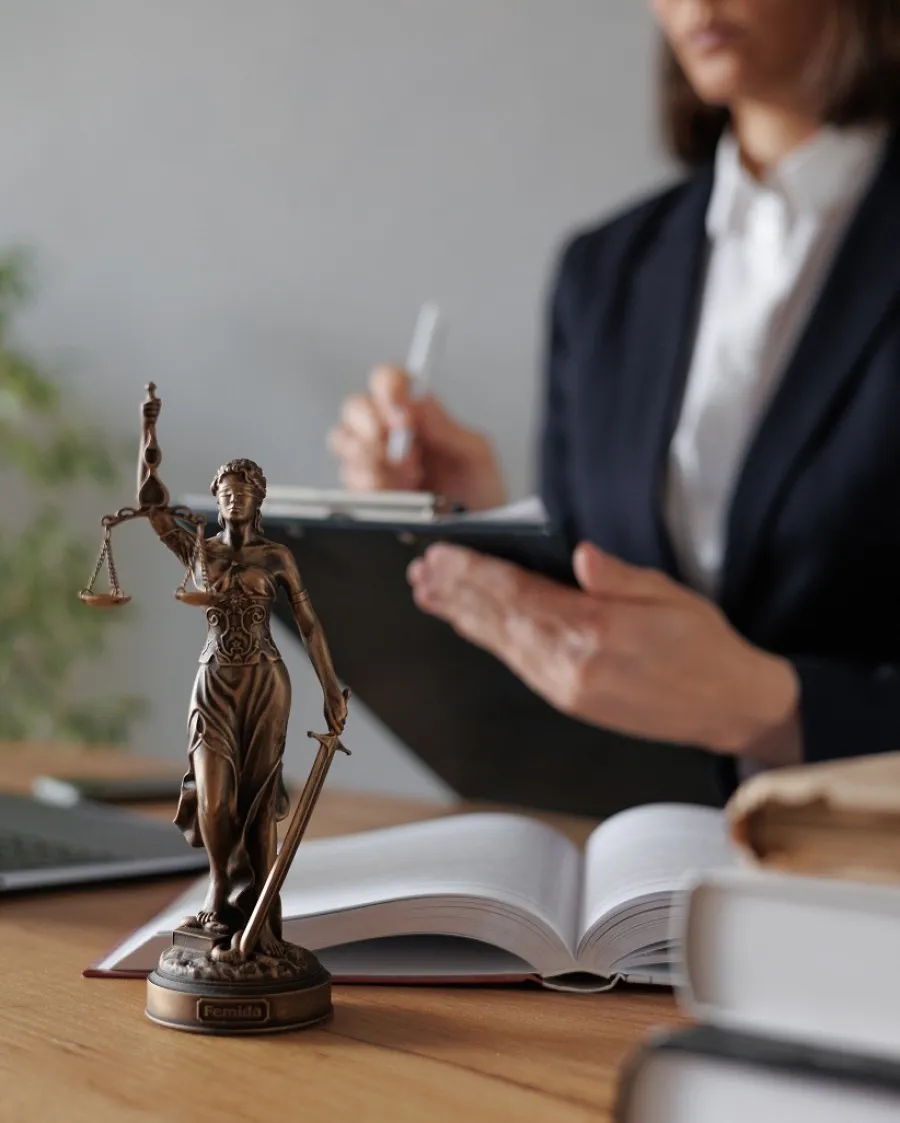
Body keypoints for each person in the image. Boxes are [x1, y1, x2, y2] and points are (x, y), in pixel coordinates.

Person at [328, 0, 900, 799]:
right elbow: (590, 640)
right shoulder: (603, 273)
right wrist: (479, 530)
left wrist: (771, 705)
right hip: (632, 847)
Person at [143, 407, 348, 949]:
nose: (234, 500)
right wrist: (148, 436)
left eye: (244, 493)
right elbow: (154, 510)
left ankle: (260, 917)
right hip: (213, 682)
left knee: (257, 806)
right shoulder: (199, 549)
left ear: (259, 501)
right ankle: (217, 890)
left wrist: (330, 688)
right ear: (217, 498)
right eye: (227, 493)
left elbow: (308, 623)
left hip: (265, 683)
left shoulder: (276, 556)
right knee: (214, 800)